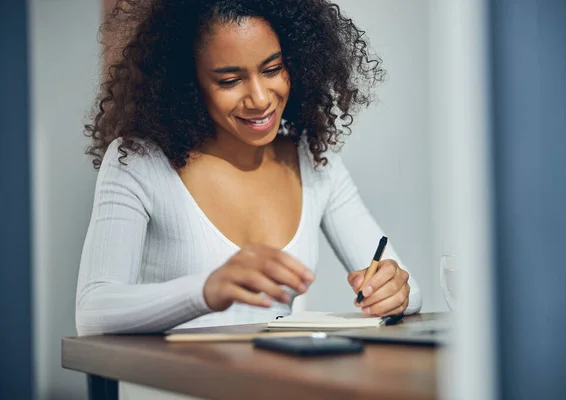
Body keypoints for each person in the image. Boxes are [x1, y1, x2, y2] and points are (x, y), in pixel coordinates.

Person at [76, 0, 422, 336]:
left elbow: (410, 292)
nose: (259, 98)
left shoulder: (316, 161)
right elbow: (93, 310)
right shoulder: (139, 161)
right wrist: (207, 290)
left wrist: (393, 290)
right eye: (229, 80)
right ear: (187, 82)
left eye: (272, 69)